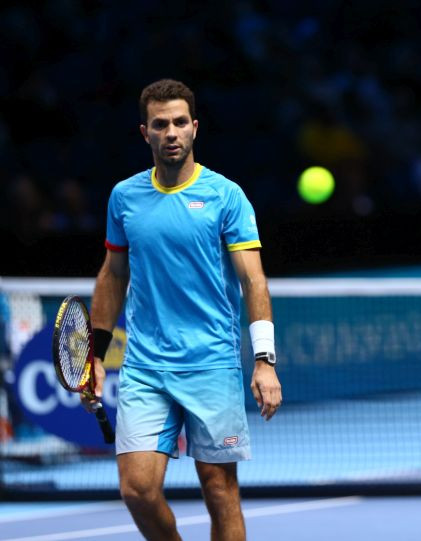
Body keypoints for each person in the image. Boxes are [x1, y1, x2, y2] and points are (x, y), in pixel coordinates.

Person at [82, 79, 282, 541]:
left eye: (178, 123)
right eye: (159, 124)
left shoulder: (226, 196)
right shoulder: (124, 197)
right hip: (145, 366)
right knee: (137, 490)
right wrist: (95, 357)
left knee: (219, 489)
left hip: (210, 363)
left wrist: (264, 359)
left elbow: (253, 280)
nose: (170, 133)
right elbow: (113, 275)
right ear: (145, 133)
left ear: (194, 127)